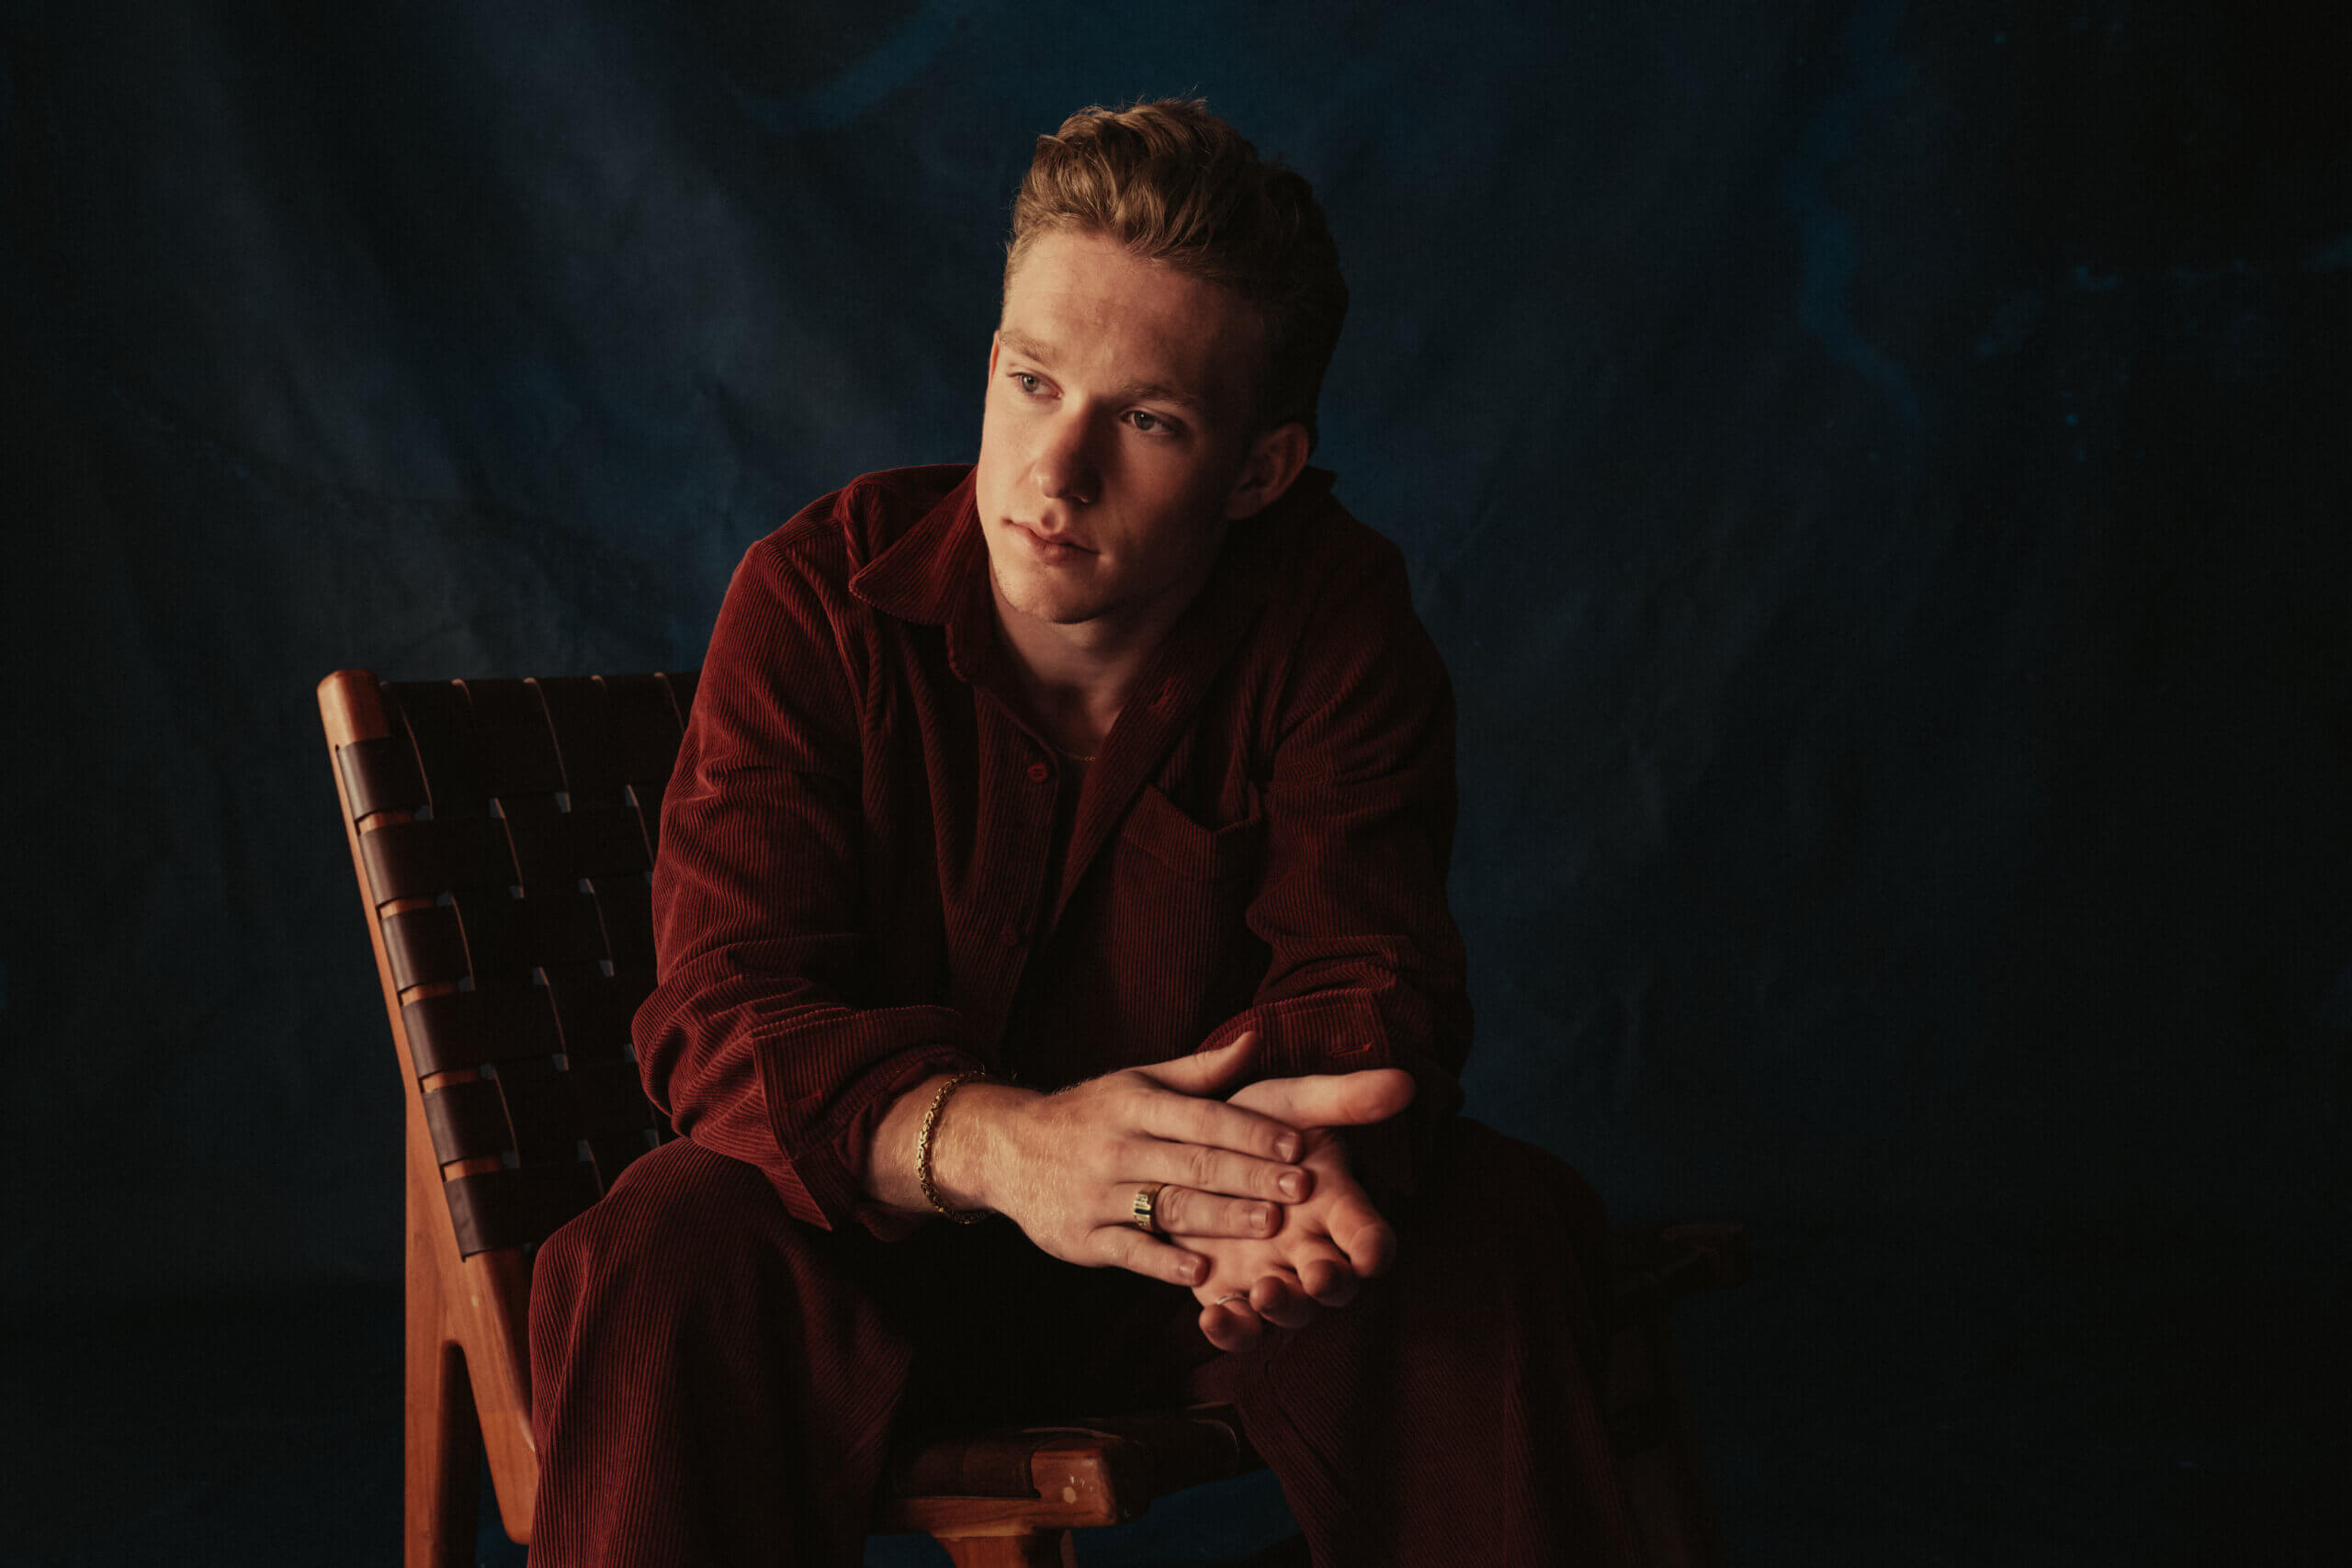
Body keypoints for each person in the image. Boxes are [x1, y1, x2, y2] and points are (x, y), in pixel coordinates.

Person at [528, 98, 1645, 1566]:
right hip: (876, 1258)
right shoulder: (814, 597)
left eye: (1149, 421)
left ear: (1259, 471)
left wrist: (1273, 1183)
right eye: (1034, 382)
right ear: (993, 361)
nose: (1056, 473)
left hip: (1198, 1274)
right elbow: (725, 1011)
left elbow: (1367, 979)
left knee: (1489, 1225)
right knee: (663, 1243)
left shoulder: (1335, 617)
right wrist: (1009, 1149)